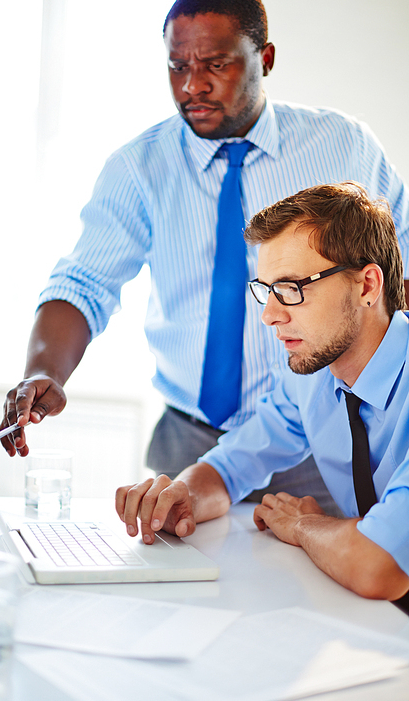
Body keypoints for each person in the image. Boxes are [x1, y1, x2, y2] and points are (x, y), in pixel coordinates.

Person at [0, 0, 409, 515]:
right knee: (180, 580)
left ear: (264, 57)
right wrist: (44, 371)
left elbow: (396, 269)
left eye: (215, 64)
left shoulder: (344, 146)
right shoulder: (138, 167)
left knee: (334, 579)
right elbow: (84, 282)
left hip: (321, 433)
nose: (192, 85)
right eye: (177, 66)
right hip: (191, 442)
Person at [116, 183, 409, 602]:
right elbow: (232, 465)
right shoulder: (310, 375)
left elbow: (378, 566)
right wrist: (181, 495)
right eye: (267, 290)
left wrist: (304, 525)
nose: (270, 315)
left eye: (292, 288)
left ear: (366, 286)